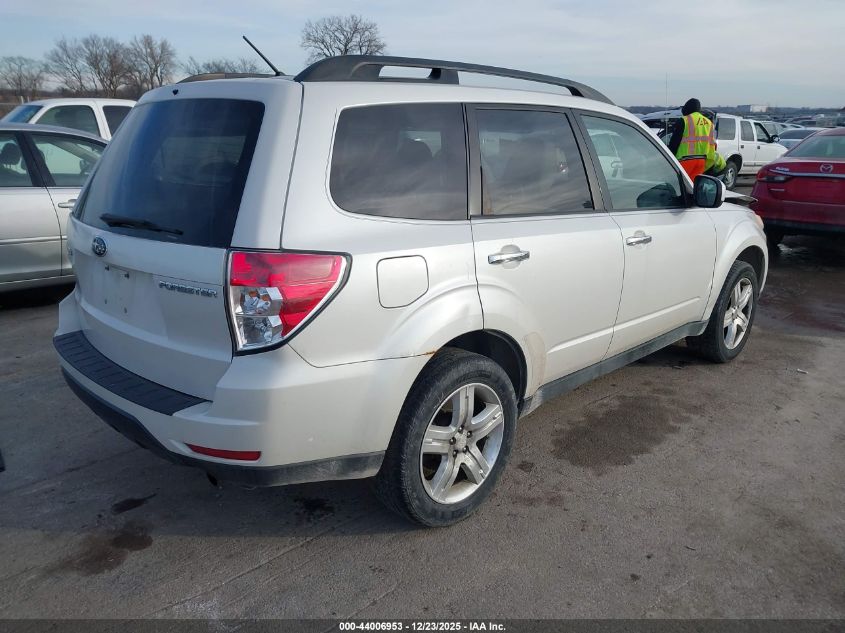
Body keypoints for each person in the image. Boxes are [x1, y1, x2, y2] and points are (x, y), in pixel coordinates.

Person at [667, 98, 724, 181]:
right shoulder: (709, 123)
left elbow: (674, 144)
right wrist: (708, 163)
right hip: (701, 162)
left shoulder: (684, 120)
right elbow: (712, 146)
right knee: (692, 187)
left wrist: (668, 159)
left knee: (678, 186)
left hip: (684, 161)